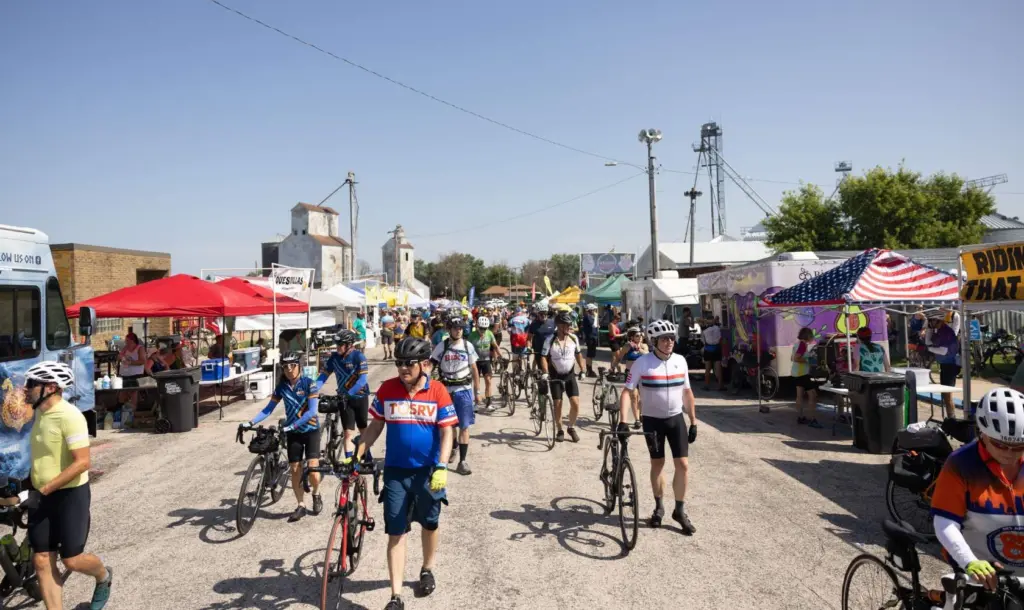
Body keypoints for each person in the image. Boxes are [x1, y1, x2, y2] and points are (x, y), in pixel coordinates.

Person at [355, 337, 456, 610]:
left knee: (430, 524)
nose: (403, 368)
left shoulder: (438, 391)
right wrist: (357, 451)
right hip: (396, 472)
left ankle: (427, 568)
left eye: (408, 363)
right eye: (399, 363)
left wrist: (443, 466)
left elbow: (447, 430)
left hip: (428, 472)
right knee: (396, 532)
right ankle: (395, 596)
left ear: (423, 364)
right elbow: (376, 426)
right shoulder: (387, 389)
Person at [19, 361, 113, 610]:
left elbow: (82, 463)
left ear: (50, 387)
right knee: (41, 560)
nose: (25, 389)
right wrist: (26, 484)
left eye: (31, 384)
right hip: (41, 495)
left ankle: (103, 575)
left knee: (71, 560)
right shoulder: (39, 414)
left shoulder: (70, 417)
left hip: (70, 495)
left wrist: (43, 491)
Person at [931, 387, 1024, 589]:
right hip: (980, 568)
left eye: (1018, 447)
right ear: (982, 433)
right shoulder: (960, 464)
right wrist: (968, 561)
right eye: (1000, 444)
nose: (1009, 453)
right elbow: (945, 521)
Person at [618, 320, 697, 534]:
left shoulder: (681, 361)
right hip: (652, 421)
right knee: (658, 464)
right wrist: (623, 420)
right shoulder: (642, 363)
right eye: (664, 338)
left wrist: (693, 421)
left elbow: (687, 392)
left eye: (672, 338)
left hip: (675, 419)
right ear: (654, 342)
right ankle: (659, 507)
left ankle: (679, 510)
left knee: (683, 465)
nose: (669, 342)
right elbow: (627, 392)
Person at [241, 352, 322, 522]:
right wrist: (250, 422)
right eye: (285, 367)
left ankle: (316, 492)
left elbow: (313, 411)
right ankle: (301, 505)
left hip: (310, 430)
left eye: (293, 365)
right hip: (293, 433)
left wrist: (292, 425)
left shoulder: (309, 384)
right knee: (294, 469)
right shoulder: (282, 387)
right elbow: (268, 409)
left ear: (299, 366)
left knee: (313, 470)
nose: (289, 370)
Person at [430, 315, 479, 475]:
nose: (458, 331)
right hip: (445, 391)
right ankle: (452, 446)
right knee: (446, 425)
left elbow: (474, 369)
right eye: (455, 328)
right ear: (449, 330)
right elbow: (431, 365)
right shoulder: (441, 346)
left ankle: (462, 461)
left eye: (460, 328)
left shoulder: (468, 346)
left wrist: (477, 392)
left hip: (463, 390)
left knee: (464, 426)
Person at [316, 330, 370, 461]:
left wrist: (349, 393)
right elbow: (323, 376)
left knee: (363, 430)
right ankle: (348, 463)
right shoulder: (334, 358)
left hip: (360, 397)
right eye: (336, 344)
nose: (337, 346)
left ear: (350, 345)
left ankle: (368, 457)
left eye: (340, 344)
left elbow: (362, 381)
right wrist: (312, 391)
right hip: (344, 400)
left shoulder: (358, 356)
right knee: (348, 433)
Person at [540, 312, 586, 442]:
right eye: (566, 325)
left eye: (569, 325)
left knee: (575, 404)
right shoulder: (550, 339)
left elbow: (578, 354)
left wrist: (582, 369)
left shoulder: (573, 338)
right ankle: (560, 429)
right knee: (558, 404)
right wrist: (545, 372)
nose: (568, 327)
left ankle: (570, 427)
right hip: (555, 376)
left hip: (570, 375)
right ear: (559, 326)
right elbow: (543, 357)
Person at [610, 327, 648, 429]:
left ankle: (641, 414)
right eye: (637, 335)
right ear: (631, 337)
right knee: (634, 396)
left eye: (641, 335)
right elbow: (619, 357)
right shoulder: (627, 346)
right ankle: (637, 420)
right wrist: (613, 366)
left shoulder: (644, 346)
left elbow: (648, 355)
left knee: (643, 397)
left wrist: (638, 349)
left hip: (643, 374)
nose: (640, 337)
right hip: (631, 374)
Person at [926, 313, 960, 419]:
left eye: (932, 320)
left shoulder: (947, 332)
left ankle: (952, 419)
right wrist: (929, 329)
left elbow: (944, 350)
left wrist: (929, 349)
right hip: (944, 365)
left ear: (939, 320)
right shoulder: (939, 330)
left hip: (950, 365)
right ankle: (950, 418)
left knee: (948, 395)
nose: (930, 322)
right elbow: (928, 342)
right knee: (945, 395)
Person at [468, 316, 500, 413]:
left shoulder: (489, 334)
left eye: (485, 329)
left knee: (488, 381)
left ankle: (489, 403)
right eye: (481, 328)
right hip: (475, 362)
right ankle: (476, 403)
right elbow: (467, 348)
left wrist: (501, 356)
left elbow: (496, 346)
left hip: (486, 361)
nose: (483, 330)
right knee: (476, 383)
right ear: (477, 326)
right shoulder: (472, 335)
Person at [792, 327, 822, 428]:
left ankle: (800, 417)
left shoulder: (797, 344)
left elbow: (792, 357)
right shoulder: (802, 344)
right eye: (811, 336)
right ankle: (812, 419)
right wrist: (808, 360)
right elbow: (796, 358)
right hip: (803, 373)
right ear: (808, 336)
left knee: (799, 396)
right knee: (813, 395)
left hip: (796, 373)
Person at [117, 334, 146, 414]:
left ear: (132, 340)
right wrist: (120, 357)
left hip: (135, 374)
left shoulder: (140, 348)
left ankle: (133, 411)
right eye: (126, 341)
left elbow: (142, 361)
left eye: (127, 341)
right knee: (122, 392)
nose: (126, 342)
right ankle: (122, 410)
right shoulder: (125, 348)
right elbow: (119, 356)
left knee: (133, 392)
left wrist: (130, 363)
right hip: (124, 374)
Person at [526, 306, 556, 372]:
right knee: (543, 371)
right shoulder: (534, 324)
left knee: (552, 371)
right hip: (539, 351)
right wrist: (528, 347)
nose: (544, 315)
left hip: (551, 352)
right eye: (541, 314)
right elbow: (529, 339)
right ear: (538, 314)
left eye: (545, 313)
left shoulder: (552, 322)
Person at [701, 317, 725, 392]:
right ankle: (720, 386)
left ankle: (706, 385)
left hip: (708, 350)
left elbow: (703, 341)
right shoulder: (718, 328)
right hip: (717, 349)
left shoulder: (704, 330)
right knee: (718, 369)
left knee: (707, 369)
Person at [507, 307, 531, 372]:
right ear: (521, 312)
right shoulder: (527, 320)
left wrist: (514, 334)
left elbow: (509, 330)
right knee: (525, 357)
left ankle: (515, 372)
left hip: (514, 341)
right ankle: (527, 371)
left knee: (515, 357)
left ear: (515, 312)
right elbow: (529, 331)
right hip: (524, 340)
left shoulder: (512, 320)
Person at [580, 303, 600, 378]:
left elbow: (596, 325)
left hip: (593, 337)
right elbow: (594, 325)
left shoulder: (591, 316)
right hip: (590, 337)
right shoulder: (587, 317)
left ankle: (590, 369)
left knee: (591, 354)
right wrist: (596, 317)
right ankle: (589, 370)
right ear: (591, 310)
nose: (595, 311)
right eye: (594, 310)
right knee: (589, 354)